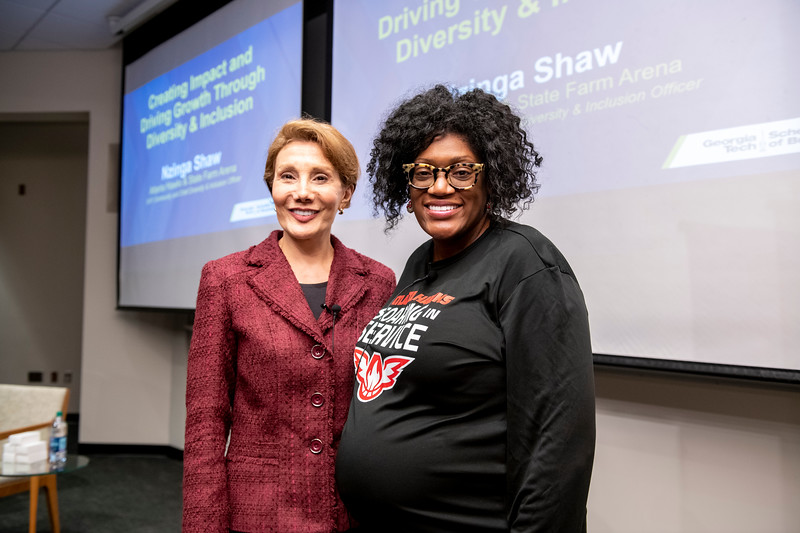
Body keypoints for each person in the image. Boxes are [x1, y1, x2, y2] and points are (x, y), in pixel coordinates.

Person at [335, 85, 596, 532]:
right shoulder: (420, 261)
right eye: (423, 172)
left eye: (461, 171)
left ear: (491, 176)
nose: (440, 187)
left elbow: (557, 441)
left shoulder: (525, 262)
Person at [183, 118, 396, 533]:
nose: (302, 192)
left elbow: (383, 412)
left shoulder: (379, 282)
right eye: (288, 176)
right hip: (258, 515)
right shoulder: (226, 280)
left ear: (346, 193)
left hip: (354, 510)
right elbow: (206, 422)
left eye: (320, 177)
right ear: (272, 188)